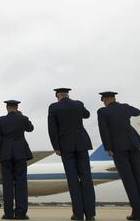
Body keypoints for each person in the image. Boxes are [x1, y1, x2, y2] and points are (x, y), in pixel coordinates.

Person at [97, 91, 140, 221]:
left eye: (104, 100)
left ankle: (138, 214)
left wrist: (108, 148)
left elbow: (103, 130)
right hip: (133, 144)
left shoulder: (103, 112)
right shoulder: (124, 107)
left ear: (105, 99)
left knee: (129, 181)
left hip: (118, 147)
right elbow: (137, 112)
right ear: (114, 98)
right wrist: (124, 105)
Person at [47, 88, 96, 221]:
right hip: (82, 144)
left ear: (58, 96)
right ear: (68, 95)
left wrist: (56, 146)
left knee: (73, 180)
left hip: (66, 146)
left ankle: (78, 214)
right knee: (87, 178)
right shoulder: (78, 104)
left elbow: (52, 128)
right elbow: (87, 115)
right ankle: (90, 214)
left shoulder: (54, 107)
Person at [0, 100, 33, 220]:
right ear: (17, 107)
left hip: (5, 154)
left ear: (7, 108)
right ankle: (21, 213)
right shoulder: (22, 118)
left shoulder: (0, 120)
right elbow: (30, 128)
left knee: (7, 184)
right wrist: (21, 115)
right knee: (21, 183)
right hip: (20, 153)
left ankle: (9, 214)